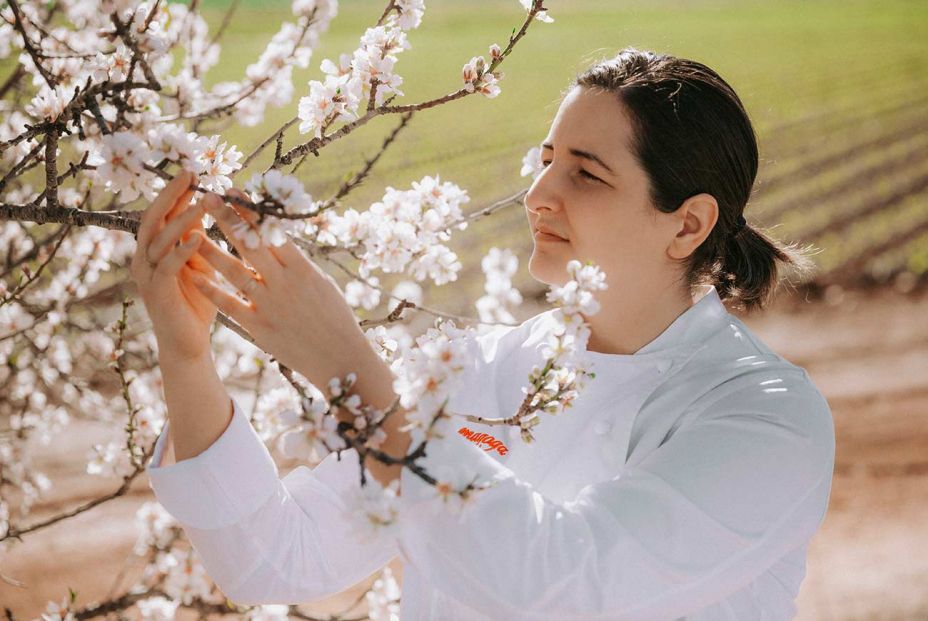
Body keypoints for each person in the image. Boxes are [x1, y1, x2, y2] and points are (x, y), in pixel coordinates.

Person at [137, 47, 835, 620]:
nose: (538, 194)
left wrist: (352, 369)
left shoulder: (766, 417)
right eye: (547, 160)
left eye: (585, 174)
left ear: (687, 224)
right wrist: (186, 356)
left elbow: (566, 583)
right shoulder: (475, 368)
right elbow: (276, 558)